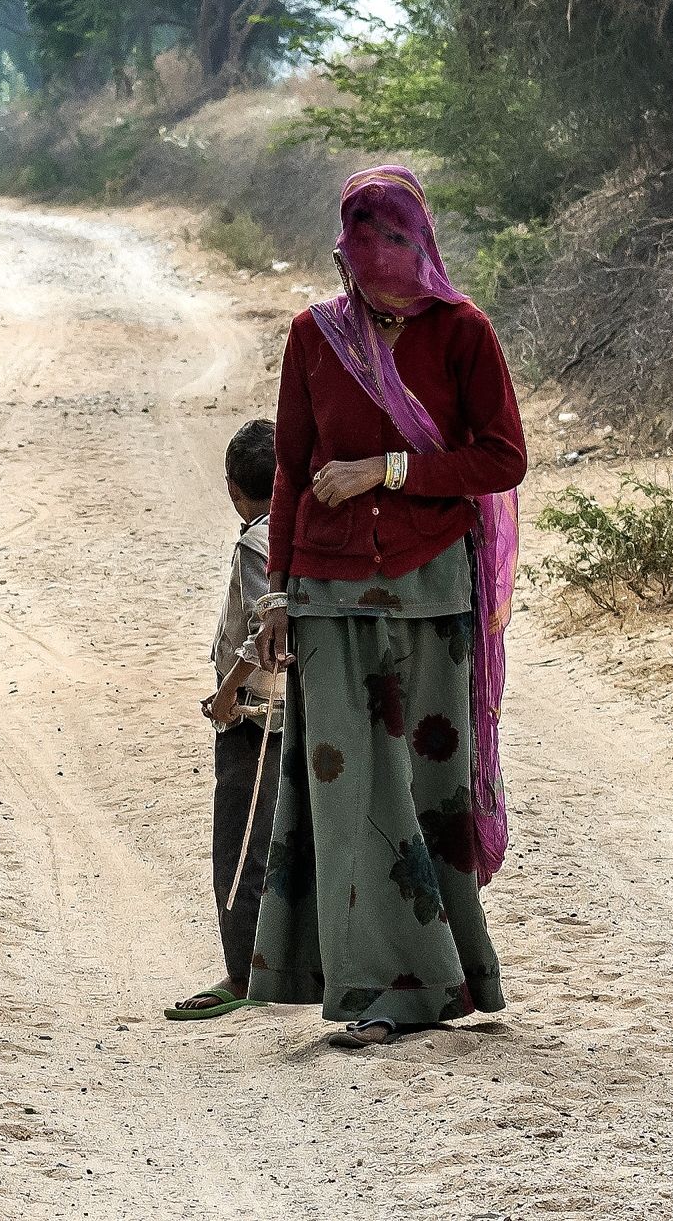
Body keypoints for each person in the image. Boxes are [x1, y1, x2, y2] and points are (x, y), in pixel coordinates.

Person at [244, 164, 525, 1049]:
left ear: (419, 247)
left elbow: (502, 459)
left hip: (431, 592)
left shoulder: (463, 334)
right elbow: (290, 468)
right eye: (359, 256)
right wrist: (279, 590)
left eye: (390, 251)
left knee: (427, 789)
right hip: (326, 596)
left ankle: (443, 977)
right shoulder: (314, 337)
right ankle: (370, 987)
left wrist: (388, 470)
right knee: (343, 793)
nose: (373, 277)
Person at [165, 419, 286, 1021]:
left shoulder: (256, 543)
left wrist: (225, 696)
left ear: (235, 488)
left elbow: (266, 627)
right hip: (297, 717)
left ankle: (243, 975)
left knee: (239, 850)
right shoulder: (299, 531)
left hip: (253, 716)